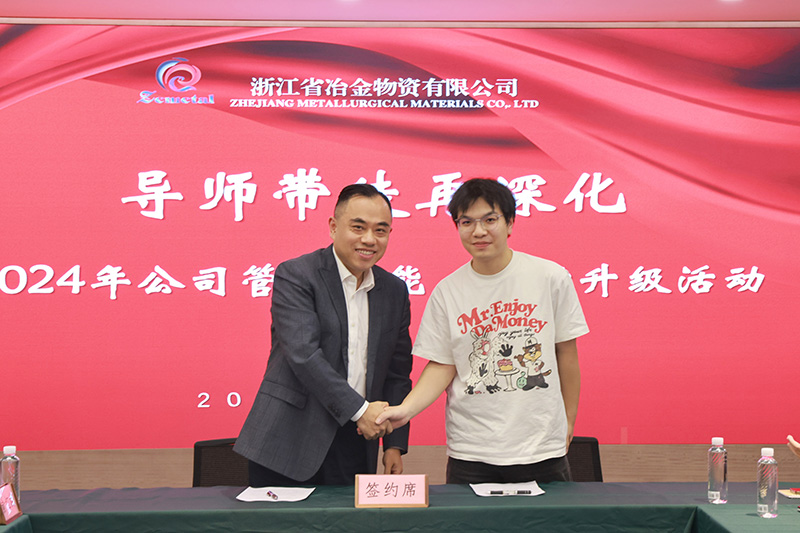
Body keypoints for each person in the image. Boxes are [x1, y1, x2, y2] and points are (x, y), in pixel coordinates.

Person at [377, 178, 589, 484]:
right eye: (467, 222)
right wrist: (406, 410)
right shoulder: (447, 291)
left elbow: (566, 353)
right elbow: (443, 365)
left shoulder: (551, 278)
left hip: (540, 449)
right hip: (471, 452)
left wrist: (568, 420)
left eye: (490, 220)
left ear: (510, 223)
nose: (478, 231)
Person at [234, 184, 413, 486]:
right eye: (358, 227)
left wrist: (393, 444)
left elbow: (396, 372)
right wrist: (361, 411)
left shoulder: (394, 290)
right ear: (333, 227)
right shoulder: (297, 275)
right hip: (287, 440)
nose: (369, 239)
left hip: (357, 440)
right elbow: (304, 355)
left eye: (380, 230)